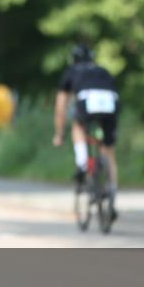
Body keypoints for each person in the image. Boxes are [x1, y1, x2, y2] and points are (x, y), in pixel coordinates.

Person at [53, 43, 120, 221]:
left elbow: (61, 107)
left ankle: (83, 163)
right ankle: (112, 194)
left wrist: (59, 134)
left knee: (78, 126)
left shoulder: (72, 71)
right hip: (111, 102)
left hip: (88, 99)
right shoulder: (103, 70)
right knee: (108, 149)